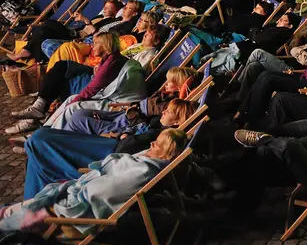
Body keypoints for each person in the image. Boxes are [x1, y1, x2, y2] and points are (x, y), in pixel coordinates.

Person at [0, 128, 187, 234]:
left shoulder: (144, 170)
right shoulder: (146, 160)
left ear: (166, 153)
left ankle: (7, 218)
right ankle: (8, 212)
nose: (152, 143)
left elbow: (101, 192)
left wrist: (79, 188)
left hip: (78, 207)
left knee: (31, 211)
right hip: (79, 192)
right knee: (31, 203)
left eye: (158, 144)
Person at [21, 100, 198, 196]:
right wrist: (127, 133)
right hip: (110, 146)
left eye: (169, 111)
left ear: (177, 122)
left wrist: (126, 135)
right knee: (39, 144)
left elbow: (133, 146)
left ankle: (31, 203)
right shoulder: (158, 127)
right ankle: (31, 203)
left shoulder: (165, 136)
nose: (163, 111)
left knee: (38, 142)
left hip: (109, 154)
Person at [6, 33, 126, 136]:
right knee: (60, 68)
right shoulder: (108, 60)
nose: (92, 45)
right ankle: (38, 117)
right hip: (91, 74)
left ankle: (38, 123)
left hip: (99, 91)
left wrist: (72, 103)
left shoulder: (111, 64)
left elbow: (92, 89)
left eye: (96, 43)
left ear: (106, 46)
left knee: (60, 80)